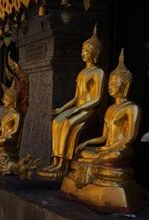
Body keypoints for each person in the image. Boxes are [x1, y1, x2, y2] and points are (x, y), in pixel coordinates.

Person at [38, 25, 105, 177]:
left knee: (68, 123)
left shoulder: (98, 72)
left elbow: (97, 98)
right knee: (56, 122)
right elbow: (76, 98)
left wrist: (78, 109)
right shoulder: (82, 72)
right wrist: (61, 109)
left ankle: (64, 164)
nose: (83, 53)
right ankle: (55, 161)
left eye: (87, 51)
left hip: (89, 109)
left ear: (95, 53)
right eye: (82, 50)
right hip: (78, 107)